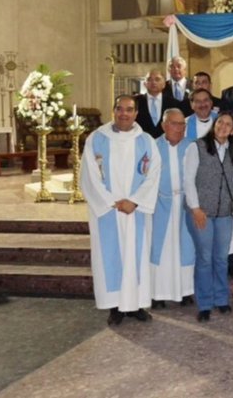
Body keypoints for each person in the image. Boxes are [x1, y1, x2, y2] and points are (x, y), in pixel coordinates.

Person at [80, 95, 161, 325]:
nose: (124, 113)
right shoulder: (97, 139)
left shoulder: (146, 141)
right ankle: (115, 306)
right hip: (108, 212)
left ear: (136, 113)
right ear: (113, 110)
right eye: (120, 109)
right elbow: (89, 176)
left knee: (136, 256)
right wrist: (111, 201)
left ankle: (136, 305)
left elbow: (153, 174)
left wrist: (135, 201)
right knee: (112, 257)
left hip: (136, 211)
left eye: (129, 109)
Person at [184, 111, 233, 322]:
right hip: (202, 213)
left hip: (224, 213)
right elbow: (188, 180)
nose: (223, 127)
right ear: (214, 124)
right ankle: (205, 303)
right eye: (220, 122)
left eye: (228, 125)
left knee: (221, 258)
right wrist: (195, 208)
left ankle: (221, 299)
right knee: (204, 258)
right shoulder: (197, 147)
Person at [150, 108, 195, 309]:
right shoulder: (152, 147)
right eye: (174, 124)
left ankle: (186, 291)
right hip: (160, 205)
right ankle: (158, 293)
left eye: (182, 124)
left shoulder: (191, 147)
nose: (179, 129)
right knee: (161, 249)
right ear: (164, 125)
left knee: (185, 248)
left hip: (185, 205)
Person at [135, 68, 181, 139]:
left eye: (157, 79)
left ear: (164, 84)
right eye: (149, 79)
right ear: (144, 84)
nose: (153, 82)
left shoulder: (174, 104)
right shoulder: (136, 102)